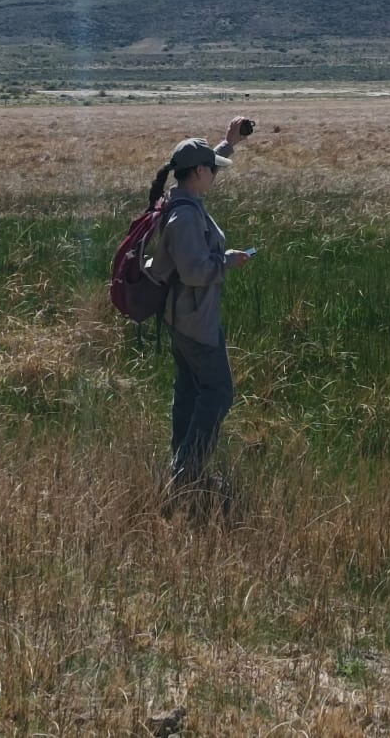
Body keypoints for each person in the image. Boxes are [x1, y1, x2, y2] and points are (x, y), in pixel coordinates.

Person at [144, 117, 254, 506]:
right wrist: (227, 260)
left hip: (181, 318)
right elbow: (193, 271)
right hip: (195, 320)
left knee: (190, 391)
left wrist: (228, 144)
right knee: (219, 391)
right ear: (200, 173)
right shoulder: (187, 215)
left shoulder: (181, 199)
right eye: (212, 170)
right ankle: (187, 473)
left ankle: (182, 471)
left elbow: (206, 170)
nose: (215, 176)